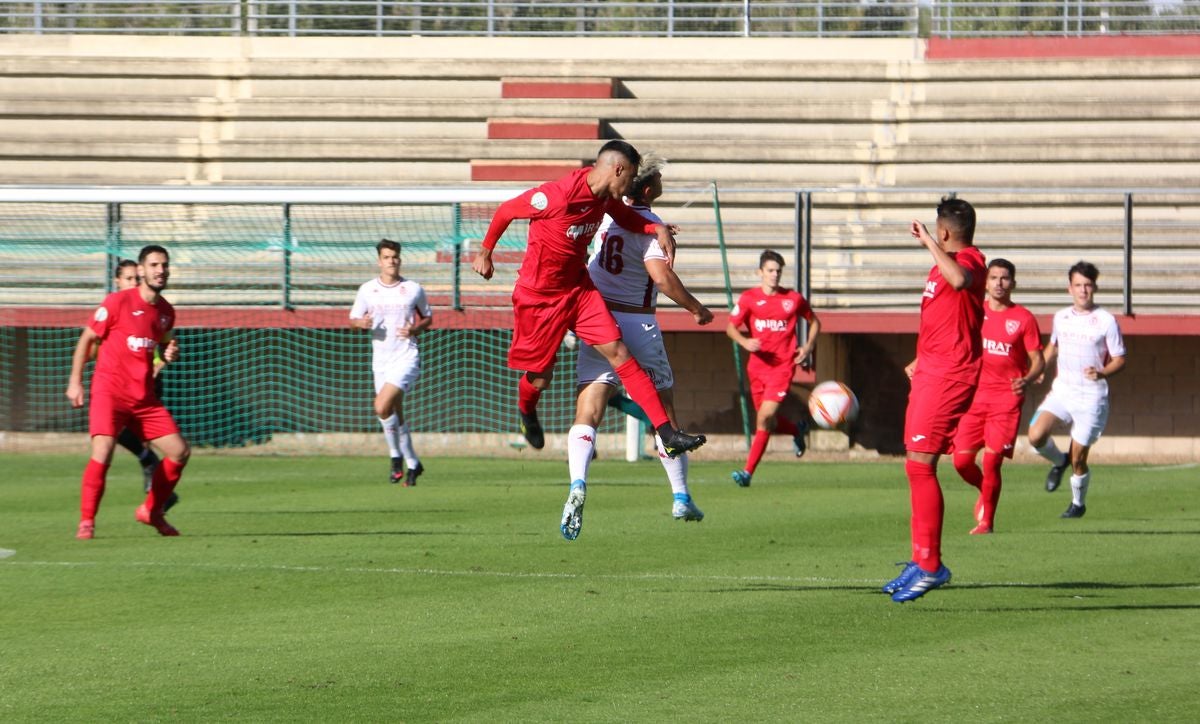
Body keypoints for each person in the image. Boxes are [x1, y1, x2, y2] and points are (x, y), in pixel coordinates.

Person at [471, 140, 706, 466]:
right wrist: (485, 252)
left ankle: (667, 433)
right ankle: (526, 409)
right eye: (631, 177)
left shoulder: (604, 198)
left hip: (579, 291)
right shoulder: (557, 195)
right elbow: (507, 210)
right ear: (618, 170)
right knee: (540, 377)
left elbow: (625, 215)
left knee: (619, 352)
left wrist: (655, 227)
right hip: (539, 298)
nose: (631, 186)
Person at [562, 153, 714, 540]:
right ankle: (680, 496)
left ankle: (578, 482)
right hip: (636, 322)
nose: (662, 182)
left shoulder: (606, 214)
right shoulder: (649, 224)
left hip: (597, 320)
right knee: (664, 413)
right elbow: (661, 279)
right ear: (647, 189)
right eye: (659, 179)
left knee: (589, 406)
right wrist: (696, 308)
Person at [883, 197, 986, 603]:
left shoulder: (973, 260)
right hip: (932, 370)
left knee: (922, 465)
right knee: (915, 464)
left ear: (944, 231)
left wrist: (928, 242)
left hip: (951, 374)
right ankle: (920, 558)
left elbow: (961, 281)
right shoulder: (942, 264)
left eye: (935, 230)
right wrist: (919, 358)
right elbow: (946, 317)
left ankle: (932, 565)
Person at [65, 245, 189, 539]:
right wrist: (75, 382)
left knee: (179, 451)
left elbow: (163, 345)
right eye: (155, 265)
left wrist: (168, 353)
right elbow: (87, 339)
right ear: (142, 270)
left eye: (164, 265)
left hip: (144, 398)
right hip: (110, 393)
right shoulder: (117, 301)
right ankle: (87, 522)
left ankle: (152, 511)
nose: (161, 270)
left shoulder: (166, 312)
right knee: (103, 451)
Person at [950, 259, 1043, 534]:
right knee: (961, 462)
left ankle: (986, 521)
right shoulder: (975, 311)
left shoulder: (1023, 318)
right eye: (994, 278)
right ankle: (985, 489)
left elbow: (1037, 359)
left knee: (992, 461)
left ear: (1013, 283)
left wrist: (1026, 379)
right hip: (973, 397)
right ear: (986, 282)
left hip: (1006, 400)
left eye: (1004, 278)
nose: (999, 283)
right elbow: (952, 341)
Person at [1028, 261, 1126, 519]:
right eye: (1078, 285)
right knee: (1035, 435)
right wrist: (1039, 369)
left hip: (1092, 397)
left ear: (1094, 288)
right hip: (1062, 390)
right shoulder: (1061, 317)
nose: (1083, 290)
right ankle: (1058, 462)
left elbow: (1119, 359)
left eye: (1088, 285)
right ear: (1069, 288)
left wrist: (1102, 372)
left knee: (1079, 458)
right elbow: (1053, 347)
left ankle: (1077, 504)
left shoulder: (1106, 320)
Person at [83, 260, 179, 511]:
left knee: (138, 440)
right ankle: (151, 473)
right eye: (127, 279)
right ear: (117, 281)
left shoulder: (152, 311)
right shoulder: (115, 306)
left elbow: (158, 347)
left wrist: (161, 362)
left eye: (134, 279)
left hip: (144, 386)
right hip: (113, 387)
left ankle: (155, 489)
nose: (133, 284)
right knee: (111, 439)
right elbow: (91, 343)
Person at [726, 250, 820, 487]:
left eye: (778, 271)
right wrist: (745, 341)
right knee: (767, 422)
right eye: (770, 270)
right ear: (760, 272)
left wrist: (808, 347)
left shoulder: (793, 299)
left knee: (765, 417)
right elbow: (730, 327)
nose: (775, 275)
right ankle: (796, 430)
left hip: (782, 368)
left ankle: (747, 473)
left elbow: (814, 322)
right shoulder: (749, 299)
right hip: (757, 369)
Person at [350, 238, 432, 486]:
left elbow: (427, 317)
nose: (391, 261)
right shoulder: (367, 290)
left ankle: (395, 456)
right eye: (386, 257)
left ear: (400, 259)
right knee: (395, 413)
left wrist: (415, 329)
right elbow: (354, 317)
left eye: (395, 257)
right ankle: (413, 464)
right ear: (379, 261)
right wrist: (360, 323)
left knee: (381, 406)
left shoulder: (413, 288)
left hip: (406, 356)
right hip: (381, 360)